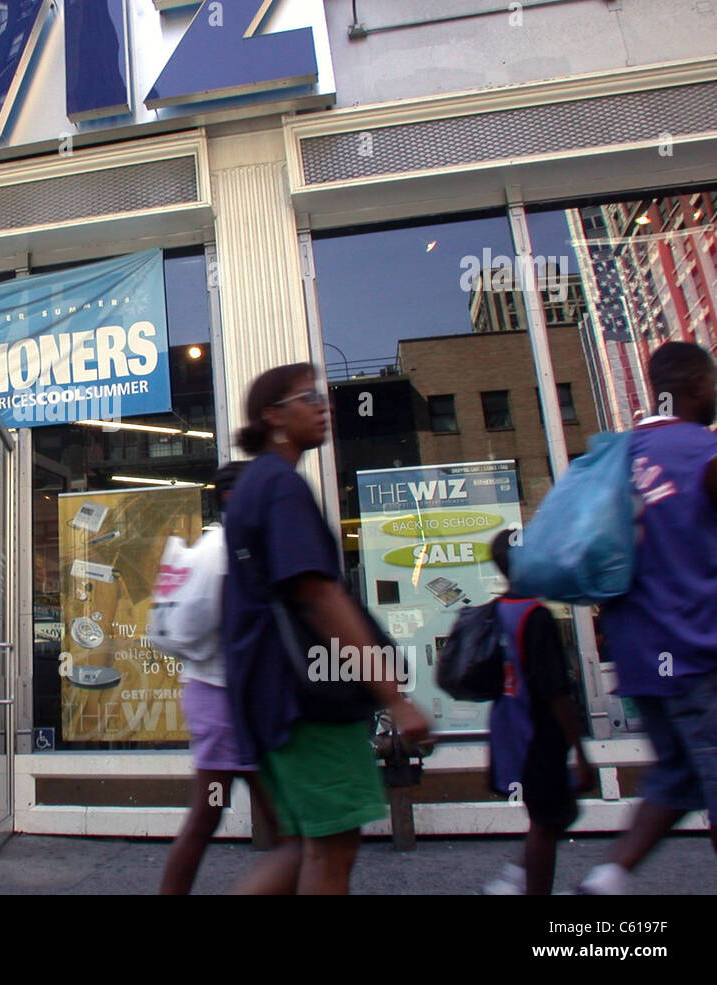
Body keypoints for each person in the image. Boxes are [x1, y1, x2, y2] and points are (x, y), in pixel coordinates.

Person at [222, 363, 431, 895]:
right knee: (333, 847)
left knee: (306, 849)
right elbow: (320, 596)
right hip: (307, 700)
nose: (323, 405)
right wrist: (394, 696)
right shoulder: (281, 486)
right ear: (273, 416)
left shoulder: (252, 487)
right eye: (308, 397)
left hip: (269, 700)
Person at [576, 341, 717, 894]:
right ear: (697, 386)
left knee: (677, 777)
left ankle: (607, 880)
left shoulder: (615, 457)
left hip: (641, 661)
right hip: (698, 648)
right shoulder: (697, 450)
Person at [159, 460, 280, 895]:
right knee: (269, 820)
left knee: (218, 815)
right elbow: (192, 627)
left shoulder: (231, 546)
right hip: (223, 701)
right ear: (235, 498)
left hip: (225, 700)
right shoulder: (222, 551)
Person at [482, 527, 594, 895]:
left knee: (557, 813)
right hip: (538, 734)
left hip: (510, 730)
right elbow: (555, 692)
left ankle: (516, 879)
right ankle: (528, 888)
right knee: (547, 820)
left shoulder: (496, 612)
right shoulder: (536, 615)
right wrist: (579, 749)